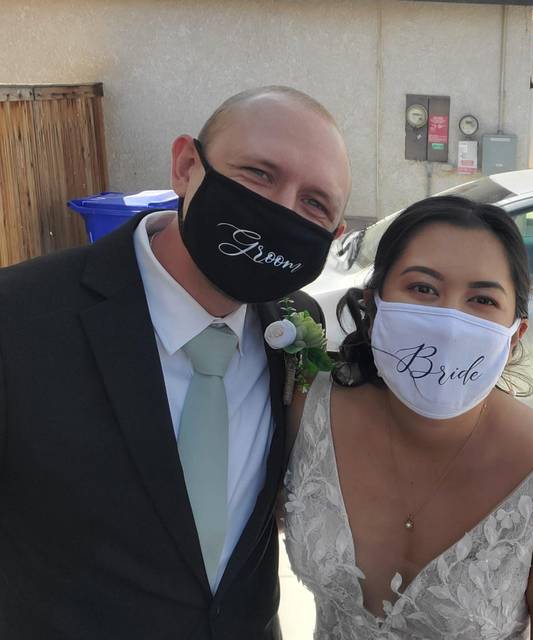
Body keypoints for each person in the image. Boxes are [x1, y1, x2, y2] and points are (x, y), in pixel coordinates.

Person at [0, 86, 351, 639]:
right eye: (259, 174)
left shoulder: (294, 322)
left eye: (314, 203)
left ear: (333, 235)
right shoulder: (19, 316)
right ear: (187, 166)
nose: (281, 209)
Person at [282, 195, 533, 639]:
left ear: (514, 335)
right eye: (423, 288)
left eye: (481, 299)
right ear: (374, 302)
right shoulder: (308, 406)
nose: (447, 322)